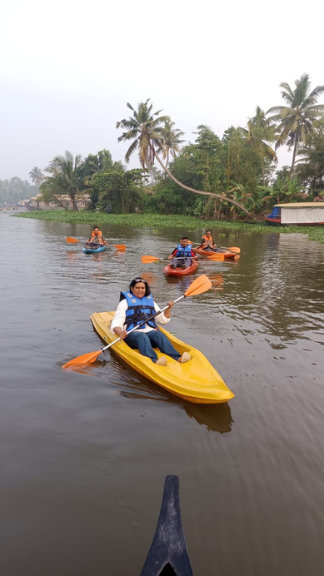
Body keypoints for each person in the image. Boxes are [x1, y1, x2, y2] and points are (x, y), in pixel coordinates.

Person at [110, 277, 191, 366]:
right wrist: (120, 332)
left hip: (148, 333)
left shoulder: (151, 302)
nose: (140, 290)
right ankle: (154, 360)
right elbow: (116, 323)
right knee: (142, 336)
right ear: (132, 289)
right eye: (137, 288)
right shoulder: (124, 303)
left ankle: (177, 357)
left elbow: (163, 320)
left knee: (158, 334)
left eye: (142, 288)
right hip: (131, 334)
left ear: (145, 289)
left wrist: (168, 308)